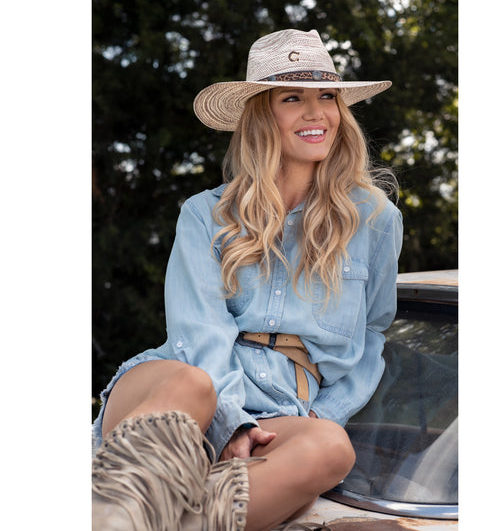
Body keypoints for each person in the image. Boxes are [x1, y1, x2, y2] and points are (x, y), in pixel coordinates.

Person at [92, 29, 403, 531]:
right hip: (184, 388)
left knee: (331, 446)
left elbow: (373, 332)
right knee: (193, 384)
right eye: (292, 98)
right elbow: (198, 329)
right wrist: (230, 420)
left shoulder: (375, 219)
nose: (316, 113)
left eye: (327, 96)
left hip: (283, 409)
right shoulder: (205, 214)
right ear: (262, 114)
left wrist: (324, 413)